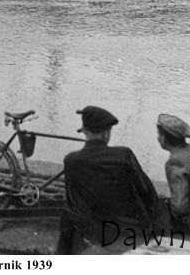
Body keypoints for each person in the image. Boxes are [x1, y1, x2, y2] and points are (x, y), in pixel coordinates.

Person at [57, 106, 164, 254]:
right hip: (135, 232)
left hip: (101, 235)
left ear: (85, 131)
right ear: (106, 134)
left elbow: (73, 205)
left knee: (67, 213)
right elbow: (148, 193)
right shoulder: (123, 155)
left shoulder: (71, 161)